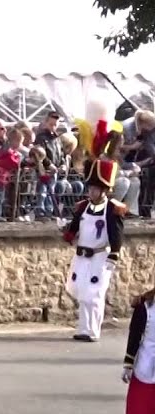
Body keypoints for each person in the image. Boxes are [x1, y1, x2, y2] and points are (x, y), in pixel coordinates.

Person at [63, 120, 125, 342]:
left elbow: (116, 233)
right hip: (82, 255)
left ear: (103, 189)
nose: (91, 191)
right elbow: (75, 225)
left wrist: (113, 255)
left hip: (100, 255)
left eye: (95, 188)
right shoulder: (83, 207)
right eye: (90, 188)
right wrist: (68, 233)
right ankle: (82, 328)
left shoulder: (112, 209)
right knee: (82, 294)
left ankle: (93, 330)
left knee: (94, 295)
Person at [125, 287, 155, 414]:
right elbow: (134, 336)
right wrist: (128, 364)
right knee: (142, 407)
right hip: (145, 361)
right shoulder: (144, 307)